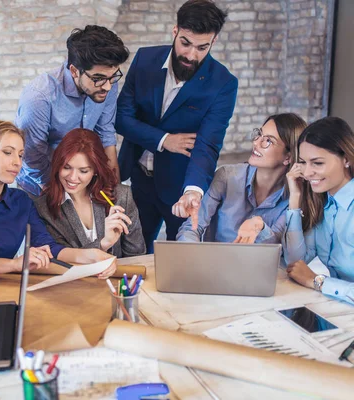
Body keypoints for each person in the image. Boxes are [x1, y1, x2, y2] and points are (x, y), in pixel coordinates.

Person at [115, 0, 238, 253]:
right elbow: (122, 119)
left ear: (213, 42)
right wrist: (164, 140)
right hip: (137, 179)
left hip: (180, 187)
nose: (191, 55)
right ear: (175, 31)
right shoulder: (144, 60)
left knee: (179, 258)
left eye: (202, 47)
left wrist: (192, 191)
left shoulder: (223, 84)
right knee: (132, 254)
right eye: (185, 43)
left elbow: (207, 145)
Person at [0, 120, 117, 280]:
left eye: (21, 155)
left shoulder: (21, 200)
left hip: (5, 285)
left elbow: (50, 248)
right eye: (8, 152)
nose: (17, 162)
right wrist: (14, 265)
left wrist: (93, 255)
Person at [16, 25, 130, 196]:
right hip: (40, 186)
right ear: (75, 71)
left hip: (81, 183)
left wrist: (115, 189)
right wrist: (65, 196)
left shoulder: (105, 85)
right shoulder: (40, 96)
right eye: (98, 79)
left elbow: (105, 134)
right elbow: (33, 159)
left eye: (112, 77)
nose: (107, 86)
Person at [177, 113, 307, 244]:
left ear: (288, 157)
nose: (256, 143)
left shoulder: (292, 199)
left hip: (258, 264)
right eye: (259, 134)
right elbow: (192, 228)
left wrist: (260, 227)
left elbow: (277, 246)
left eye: (268, 141)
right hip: (214, 262)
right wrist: (193, 258)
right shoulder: (226, 176)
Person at [34, 128, 145, 257]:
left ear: (95, 171)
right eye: (66, 167)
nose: (73, 178)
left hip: (118, 276)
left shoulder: (121, 196)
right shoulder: (43, 207)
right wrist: (103, 244)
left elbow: (137, 256)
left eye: (83, 171)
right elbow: (59, 259)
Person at [283, 117, 354, 305]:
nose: (306, 173)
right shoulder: (324, 204)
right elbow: (296, 263)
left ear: (346, 159)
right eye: (303, 163)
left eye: (317, 163)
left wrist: (317, 281)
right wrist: (294, 199)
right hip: (338, 309)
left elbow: (306, 276)